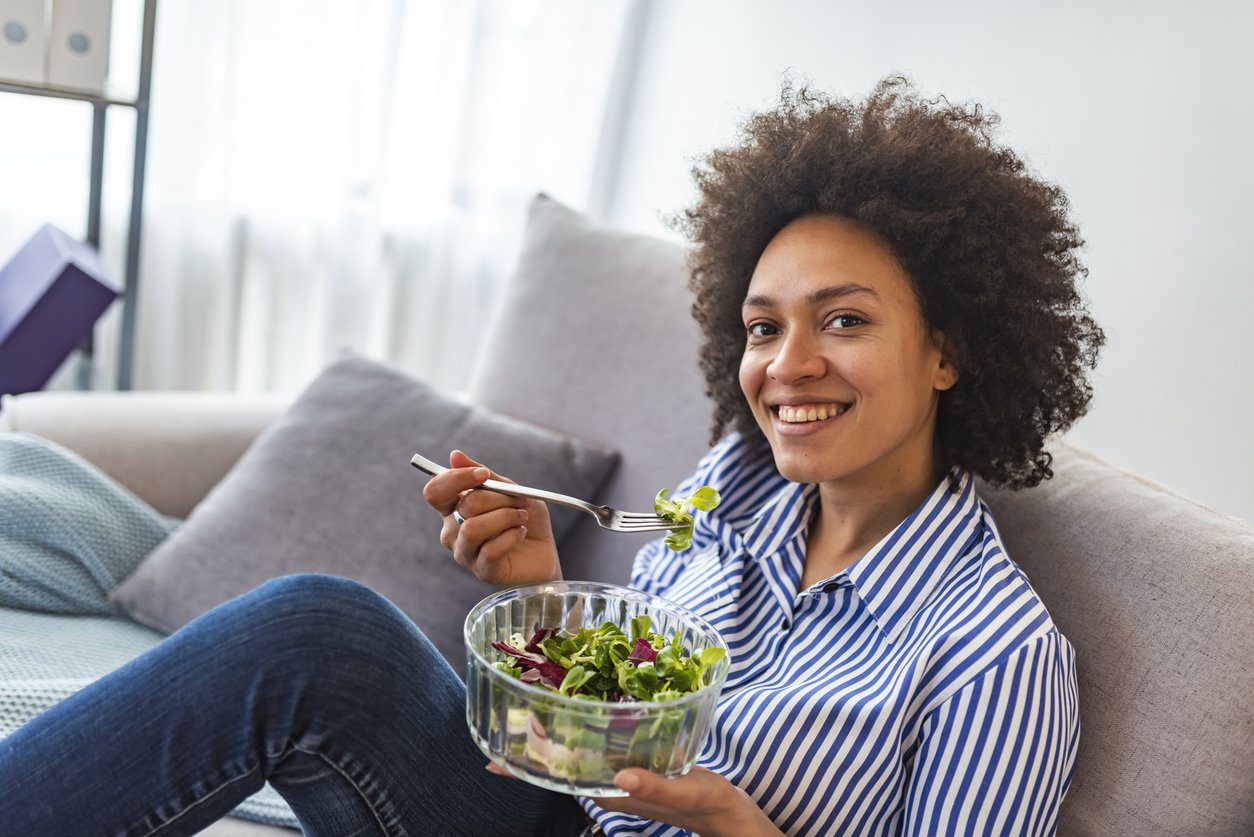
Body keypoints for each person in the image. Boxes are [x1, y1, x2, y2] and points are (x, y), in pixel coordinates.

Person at [0, 77, 1102, 836]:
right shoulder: (733, 488)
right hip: (548, 815)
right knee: (320, 631)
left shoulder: (993, 655)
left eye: (845, 322)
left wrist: (732, 823)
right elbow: (612, 717)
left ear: (949, 349)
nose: (788, 365)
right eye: (764, 327)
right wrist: (543, 600)